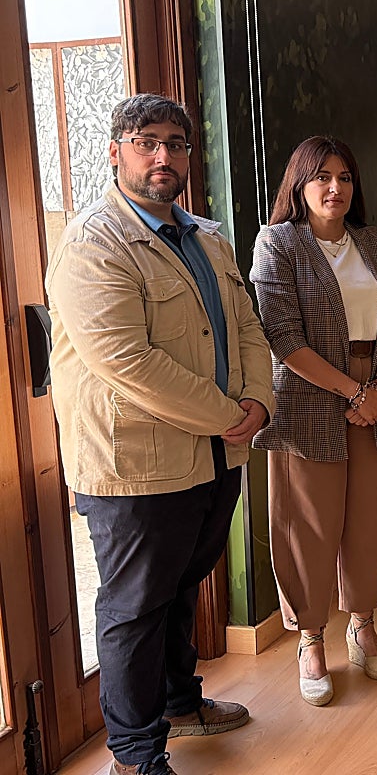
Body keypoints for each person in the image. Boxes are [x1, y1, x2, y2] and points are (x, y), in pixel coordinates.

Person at [45, 94, 273, 775]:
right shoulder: (93, 244)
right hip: (132, 464)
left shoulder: (208, 236)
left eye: (176, 143)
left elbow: (249, 327)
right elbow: (128, 362)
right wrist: (231, 414)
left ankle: (180, 703)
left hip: (211, 453)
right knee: (135, 607)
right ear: (115, 151)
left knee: (180, 586)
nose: (163, 156)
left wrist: (258, 399)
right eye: (146, 142)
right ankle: (135, 754)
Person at [249, 137, 377, 706]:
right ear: (298, 184)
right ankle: (311, 640)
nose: (335, 188)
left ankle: (362, 628)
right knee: (309, 526)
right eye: (321, 177)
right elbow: (281, 337)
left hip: (376, 396)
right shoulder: (278, 244)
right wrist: (352, 390)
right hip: (308, 397)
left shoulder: (373, 241)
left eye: (345, 177)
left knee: (369, 520)